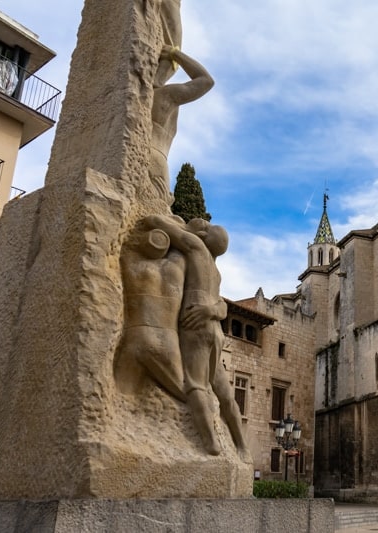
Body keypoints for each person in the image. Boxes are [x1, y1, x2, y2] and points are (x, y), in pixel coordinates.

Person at [145, 214, 248, 458]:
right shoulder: (216, 272)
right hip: (216, 330)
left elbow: (157, 224)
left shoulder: (197, 248)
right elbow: (222, 307)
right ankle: (242, 446)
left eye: (206, 226)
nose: (203, 221)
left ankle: (210, 444)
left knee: (195, 385)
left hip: (196, 326)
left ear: (203, 237)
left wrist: (158, 219)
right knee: (224, 392)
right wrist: (211, 310)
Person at [117, 224, 186, 402]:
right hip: (168, 342)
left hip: (136, 337)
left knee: (119, 395)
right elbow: (189, 242)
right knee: (186, 395)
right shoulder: (177, 265)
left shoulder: (129, 260)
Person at [149, 46, 214, 202]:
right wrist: (174, 54)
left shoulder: (164, 95)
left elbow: (206, 82)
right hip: (159, 163)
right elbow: (205, 80)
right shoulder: (167, 96)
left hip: (147, 157)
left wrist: (174, 53)